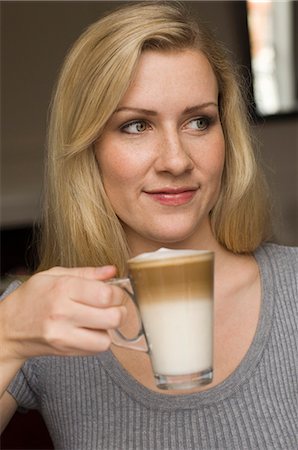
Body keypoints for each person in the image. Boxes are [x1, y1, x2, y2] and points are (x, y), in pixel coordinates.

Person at [0, 1, 297, 449]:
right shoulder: (42, 317)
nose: (176, 160)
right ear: (89, 148)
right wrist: (6, 338)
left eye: (199, 121)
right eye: (136, 125)